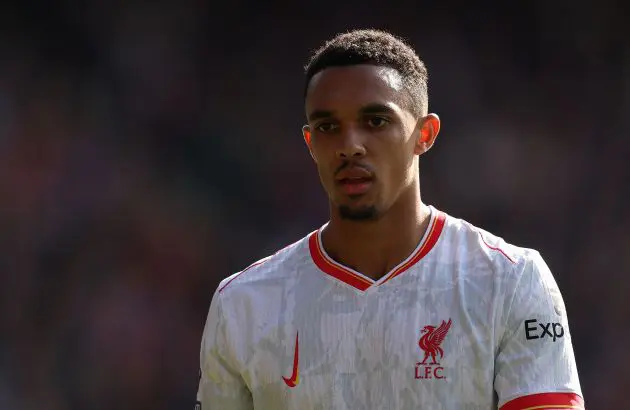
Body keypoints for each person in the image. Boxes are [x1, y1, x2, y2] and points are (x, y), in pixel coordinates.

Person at [195, 29, 584, 410]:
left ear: (425, 134)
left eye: (375, 121)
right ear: (311, 144)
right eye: (329, 127)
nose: (350, 145)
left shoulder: (510, 280)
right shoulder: (243, 304)